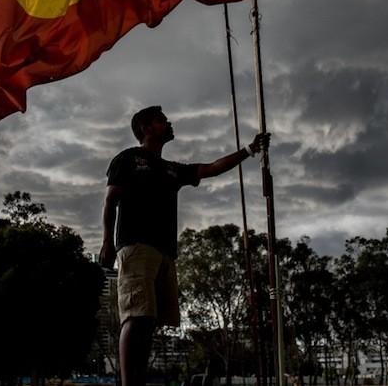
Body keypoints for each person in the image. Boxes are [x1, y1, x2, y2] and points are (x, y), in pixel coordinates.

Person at [99, 105, 270, 386]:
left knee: (150, 320)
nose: (168, 123)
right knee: (137, 315)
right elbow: (110, 201)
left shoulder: (171, 170)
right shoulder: (128, 159)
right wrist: (107, 240)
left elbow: (212, 168)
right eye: (161, 120)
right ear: (145, 128)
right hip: (136, 246)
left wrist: (249, 150)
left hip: (164, 251)